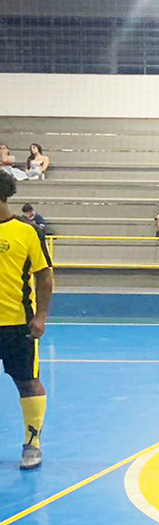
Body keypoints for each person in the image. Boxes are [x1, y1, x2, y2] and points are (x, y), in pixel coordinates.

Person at [0, 172, 53, 470]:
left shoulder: (27, 231)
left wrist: (41, 315)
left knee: (27, 383)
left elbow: (44, 274)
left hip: (17, 324)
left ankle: (32, 442)